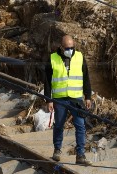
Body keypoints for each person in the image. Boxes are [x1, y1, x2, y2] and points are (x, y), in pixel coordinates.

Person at [44, 35, 92, 165]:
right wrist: (49, 100)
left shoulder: (80, 57)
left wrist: (88, 96)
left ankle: (80, 155)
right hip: (60, 99)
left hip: (76, 98)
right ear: (61, 46)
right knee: (59, 125)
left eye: (71, 47)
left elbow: (86, 77)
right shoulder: (53, 58)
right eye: (67, 48)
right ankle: (57, 150)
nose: (69, 50)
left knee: (80, 126)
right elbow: (47, 81)